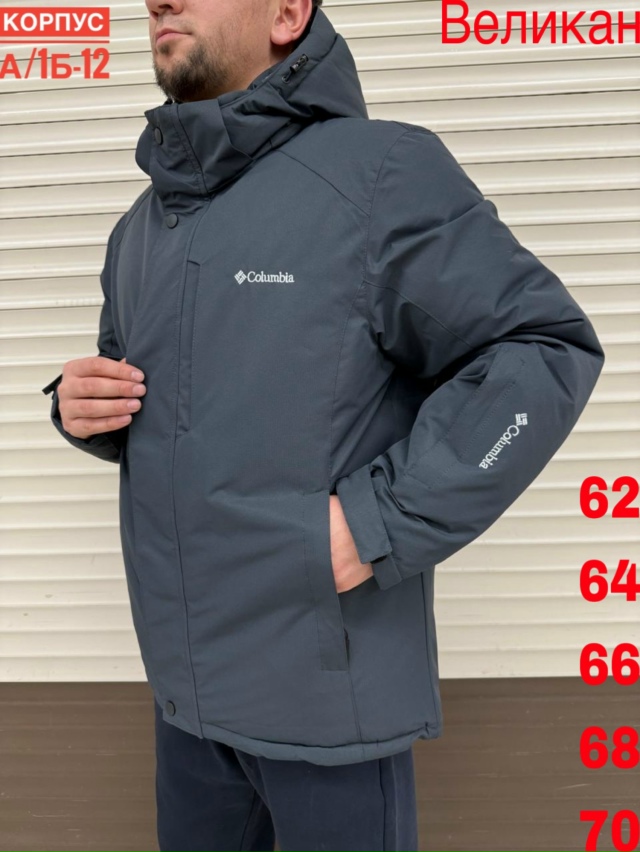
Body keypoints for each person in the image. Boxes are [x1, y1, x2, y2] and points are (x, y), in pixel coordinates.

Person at [41, 0, 605, 849]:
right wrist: (81, 407)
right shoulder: (140, 230)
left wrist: (380, 520)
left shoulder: (379, 175)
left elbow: (542, 349)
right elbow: (162, 403)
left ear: (287, 12)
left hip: (325, 714)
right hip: (185, 705)